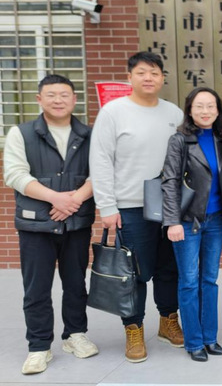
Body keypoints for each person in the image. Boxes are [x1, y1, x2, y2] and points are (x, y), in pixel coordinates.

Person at [89, 52, 184, 363]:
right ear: (129, 77)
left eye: (154, 73)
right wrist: (107, 206)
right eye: (142, 72)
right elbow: (100, 160)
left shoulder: (174, 113)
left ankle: (168, 321)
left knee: (170, 268)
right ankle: (134, 328)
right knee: (134, 273)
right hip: (130, 207)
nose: (148, 78)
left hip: (169, 207)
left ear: (163, 78)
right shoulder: (113, 112)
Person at [3, 74, 98, 374]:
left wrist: (74, 200)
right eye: (52, 95)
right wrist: (56, 198)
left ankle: (75, 335)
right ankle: (39, 346)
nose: (58, 100)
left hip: (76, 223)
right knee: (37, 288)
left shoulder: (90, 134)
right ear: (39, 99)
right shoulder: (21, 133)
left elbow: (101, 172)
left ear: (75, 99)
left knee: (76, 283)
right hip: (36, 226)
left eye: (64, 95)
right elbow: (15, 174)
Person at [162, 87, 222, 362]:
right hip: (188, 221)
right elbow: (169, 181)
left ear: (218, 110)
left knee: (209, 280)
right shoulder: (180, 140)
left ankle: (210, 337)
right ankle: (194, 341)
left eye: (210, 106)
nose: (205, 111)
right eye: (199, 106)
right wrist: (172, 221)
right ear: (189, 110)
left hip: (216, 220)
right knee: (189, 282)